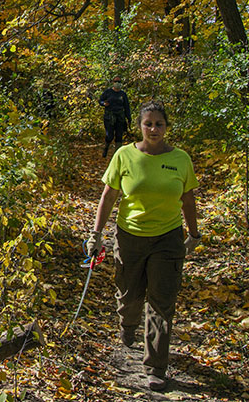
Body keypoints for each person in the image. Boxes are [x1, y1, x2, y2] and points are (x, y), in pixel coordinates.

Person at [85, 101, 201, 392]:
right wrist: (96, 234)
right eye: (148, 123)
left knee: (162, 303)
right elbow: (108, 196)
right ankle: (128, 324)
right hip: (130, 237)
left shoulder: (181, 159)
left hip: (167, 239)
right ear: (139, 126)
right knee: (129, 296)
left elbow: (188, 199)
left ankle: (155, 367)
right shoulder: (124, 155)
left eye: (159, 124)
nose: (153, 129)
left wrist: (194, 235)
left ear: (166, 127)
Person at [98, 77, 131, 157]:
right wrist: (104, 104)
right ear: (113, 83)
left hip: (120, 117)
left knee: (119, 136)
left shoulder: (123, 94)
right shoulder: (108, 92)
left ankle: (117, 154)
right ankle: (106, 148)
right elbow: (100, 100)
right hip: (109, 117)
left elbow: (126, 106)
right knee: (110, 135)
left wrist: (129, 118)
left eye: (119, 81)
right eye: (116, 81)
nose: (117, 83)